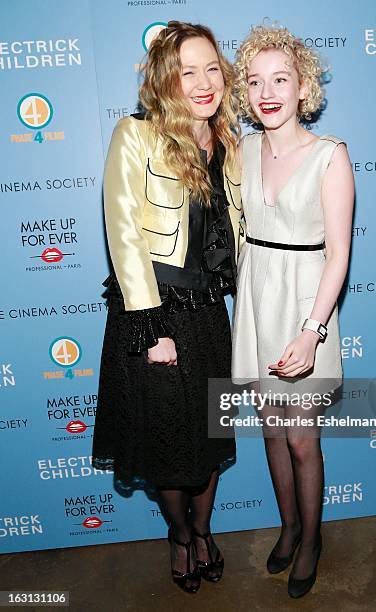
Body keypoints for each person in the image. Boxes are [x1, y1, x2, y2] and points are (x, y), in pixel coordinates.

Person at [91, 21, 245, 594]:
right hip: (155, 315)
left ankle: (204, 529)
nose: (204, 82)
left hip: (210, 316)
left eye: (212, 68)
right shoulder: (136, 135)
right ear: (164, 80)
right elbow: (124, 234)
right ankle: (180, 535)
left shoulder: (230, 144)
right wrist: (152, 329)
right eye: (188, 72)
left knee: (209, 437)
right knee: (168, 444)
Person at [232, 25, 354, 598]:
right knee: (272, 430)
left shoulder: (331, 156)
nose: (267, 91)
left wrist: (311, 332)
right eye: (255, 82)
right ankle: (287, 527)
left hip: (307, 306)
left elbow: (339, 256)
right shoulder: (241, 150)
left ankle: (312, 539)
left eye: (281, 79)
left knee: (302, 437)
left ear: (303, 86)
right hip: (257, 301)